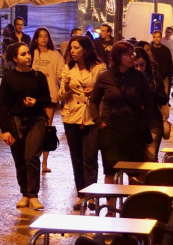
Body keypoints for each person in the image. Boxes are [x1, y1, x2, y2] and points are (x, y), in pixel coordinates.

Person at [0, 43, 54, 210]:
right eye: (23, 54)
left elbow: (47, 98)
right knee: (19, 159)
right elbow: (3, 106)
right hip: (15, 122)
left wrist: (36, 102)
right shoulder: (8, 78)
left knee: (31, 156)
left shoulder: (38, 76)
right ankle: (24, 194)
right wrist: (5, 130)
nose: (28, 56)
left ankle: (34, 195)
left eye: (28, 53)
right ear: (15, 58)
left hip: (36, 120)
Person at [89, 41, 152, 181]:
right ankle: (110, 203)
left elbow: (149, 103)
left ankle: (133, 202)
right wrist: (98, 121)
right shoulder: (105, 77)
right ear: (117, 57)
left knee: (134, 173)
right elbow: (93, 101)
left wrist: (141, 125)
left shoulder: (139, 77)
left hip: (134, 132)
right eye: (127, 54)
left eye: (132, 54)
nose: (131, 57)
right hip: (110, 131)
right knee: (111, 171)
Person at [58, 37, 104, 210]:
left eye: (76, 48)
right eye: (71, 48)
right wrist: (67, 89)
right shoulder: (68, 69)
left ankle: (92, 195)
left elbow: (104, 92)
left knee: (90, 156)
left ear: (85, 50)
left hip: (91, 117)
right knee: (76, 157)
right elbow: (61, 96)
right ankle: (81, 194)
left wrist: (94, 92)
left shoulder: (99, 68)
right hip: (72, 116)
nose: (72, 51)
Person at [29, 28, 64, 174]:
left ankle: (44, 162)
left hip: (50, 95)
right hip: (32, 97)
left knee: (46, 129)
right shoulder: (30, 54)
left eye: (46, 36)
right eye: (40, 36)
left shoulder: (55, 55)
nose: (43, 39)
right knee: (32, 128)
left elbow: (62, 74)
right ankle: (32, 159)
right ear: (36, 39)